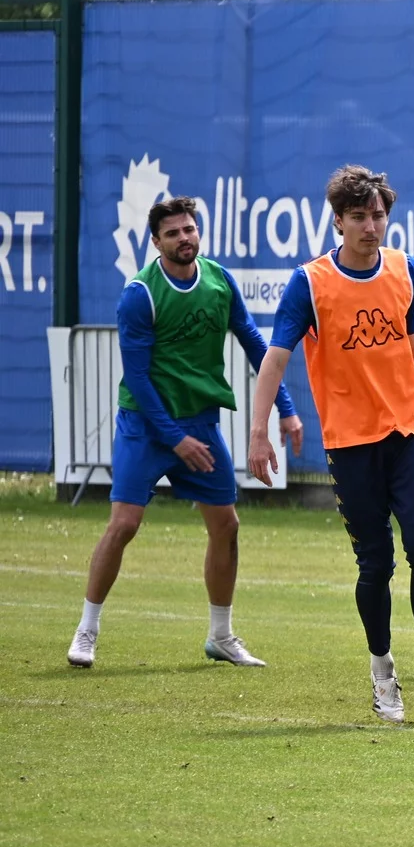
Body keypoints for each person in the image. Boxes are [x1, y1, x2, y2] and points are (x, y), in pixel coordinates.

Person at [67, 196, 303, 670]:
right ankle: (86, 630)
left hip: (199, 424)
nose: (184, 238)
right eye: (172, 233)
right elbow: (137, 378)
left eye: (189, 229)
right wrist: (174, 438)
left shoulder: (219, 281)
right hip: (145, 426)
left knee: (227, 526)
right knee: (124, 524)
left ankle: (221, 636)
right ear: (156, 242)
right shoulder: (140, 294)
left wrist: (286, 407)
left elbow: (255, 343)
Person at [249, 166, 414, 724]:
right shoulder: (310, 283)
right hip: (351, 444)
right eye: (358, 216)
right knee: (375, 564)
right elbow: (276, 359)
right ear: (338, 221)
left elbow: (412, 344)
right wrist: (259, 431)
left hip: (407, 433)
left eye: (378, 215)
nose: (370, 226)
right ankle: (383, 674)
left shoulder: (406, 269)